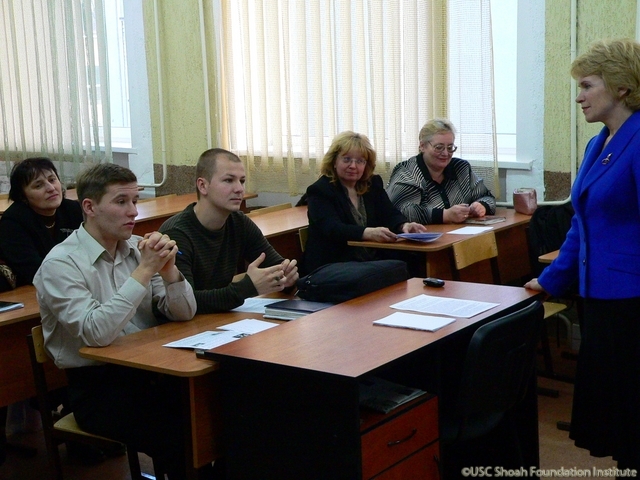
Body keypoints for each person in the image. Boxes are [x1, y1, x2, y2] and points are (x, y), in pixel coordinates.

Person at [33, 163, 198, 479]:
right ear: (90, 207)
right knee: (178, 430)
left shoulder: (137, 249)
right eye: (121, 202)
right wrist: (146, 271)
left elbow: (184, 313)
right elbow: (95, 332)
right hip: (98, 389)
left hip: (151, 370)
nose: (133, 212)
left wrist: (170, 271)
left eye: (135, 201)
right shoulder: (61, 264)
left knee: (217, 409)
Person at [525, 38, 640, 472]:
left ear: (621, 87)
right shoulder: (599, 143)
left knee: (632, 414)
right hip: (601, 300)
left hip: (633, 304)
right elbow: (581, 223)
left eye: (587, 85)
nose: (578, 96)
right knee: (618, 418)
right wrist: (551, 279)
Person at [159, 148, 299, 313]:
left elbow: (276, 266)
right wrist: (247, 287)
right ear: (203, 186)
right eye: (229, 180)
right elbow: (187, 302)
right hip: (180, 329)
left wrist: (287, 278)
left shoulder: (239, 222)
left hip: (219, 320)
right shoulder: (176, 234)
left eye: (242, 181)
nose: (239, 189)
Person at [301, 131, 426, 275]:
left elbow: (389, 213)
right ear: (334, 161)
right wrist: (368, 233)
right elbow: (333, 229)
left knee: (414, 260)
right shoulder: (320, 190)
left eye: (360, 161)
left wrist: (404, 225)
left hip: (370, 260)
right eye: (347, 159)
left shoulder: (372, 184)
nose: (353, 166)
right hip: (334, 264)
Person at [386, 119, 496, 224]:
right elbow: (401, 211)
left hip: (457, 236)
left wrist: (481, 205)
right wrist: (446, 215)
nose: (445, 153)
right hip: (421, 239)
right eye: (439, 147)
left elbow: (487, 196)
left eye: (450, 147)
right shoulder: (407, 172)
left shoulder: (461, 168)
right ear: (422, 146)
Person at [0, 157, 83, 287]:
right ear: (23, 196)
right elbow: (34, 270)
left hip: (76, 282)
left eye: (52, 180)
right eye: (38, 185)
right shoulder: (13, 222)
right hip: (36, 289)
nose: (50, 188)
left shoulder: (73, 209)